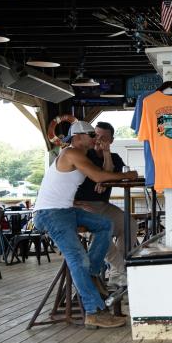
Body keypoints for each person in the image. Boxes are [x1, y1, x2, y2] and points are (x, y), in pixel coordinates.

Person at [33, 121, 138, 329]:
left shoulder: (78, 154)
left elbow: (64, 184)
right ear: (78, 136)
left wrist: (73, 201)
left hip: (65, 209)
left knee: (105, 225)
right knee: (77, 259)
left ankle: (91, 275)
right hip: (50, 214)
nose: (94, 138)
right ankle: (93, 312)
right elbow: (98, 176)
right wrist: (127, 175)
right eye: (91, 134)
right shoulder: (72, 152)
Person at [73, 122, 135, 288]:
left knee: (130, 224)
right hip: (83, 205)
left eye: (103, 138)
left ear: (111, 140)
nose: (98, 140)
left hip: (103, 205)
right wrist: (103, 178)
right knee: (103, 229)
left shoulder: (114, 158)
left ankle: (117, 272)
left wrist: (106, 154)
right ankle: (120, 270)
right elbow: (102, 176)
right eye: (95, 135)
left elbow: (108, 174)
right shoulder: (85, 155)